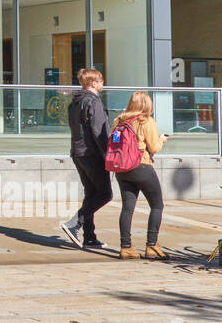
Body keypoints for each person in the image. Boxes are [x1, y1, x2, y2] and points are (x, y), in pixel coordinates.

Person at [111, 91, 168, 260]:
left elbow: (113, 142)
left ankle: (126, 248)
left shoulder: (119, 120)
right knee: (157, 205)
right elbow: (154, 147)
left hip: (122, 169)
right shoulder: (146, 121)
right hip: (141, 166)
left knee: (127, 208)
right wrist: (161, 140)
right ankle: (152, 246)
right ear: (147, 106)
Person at [59, 67, 112, 249]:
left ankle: (89, 236)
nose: (103, 84)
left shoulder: (75, 102)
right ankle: (74, 224)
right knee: (105, 194)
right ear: (94, 83)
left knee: (91, 194)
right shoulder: (93, 101)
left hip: (78, 152)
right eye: (101, 81)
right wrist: (108, 154)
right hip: (92, 154)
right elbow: (99, 131)